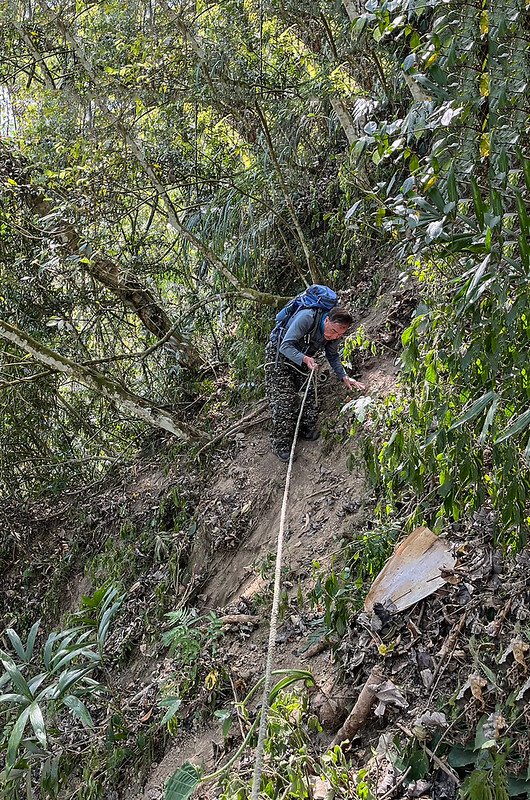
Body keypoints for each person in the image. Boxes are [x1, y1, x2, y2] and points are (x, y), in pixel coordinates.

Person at [265, 304, 365, 461]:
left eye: (339, 334)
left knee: (309, 395)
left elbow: (332, 356)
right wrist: (304, 359)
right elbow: (285, 345)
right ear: (326, 320)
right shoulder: (307, 318)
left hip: (304, 359)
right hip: (279, 357)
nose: (334, 337)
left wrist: (344, 376)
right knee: (284, 401)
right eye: (332, 331)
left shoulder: (334, 335)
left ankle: (305, 429)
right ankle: (281, 444)